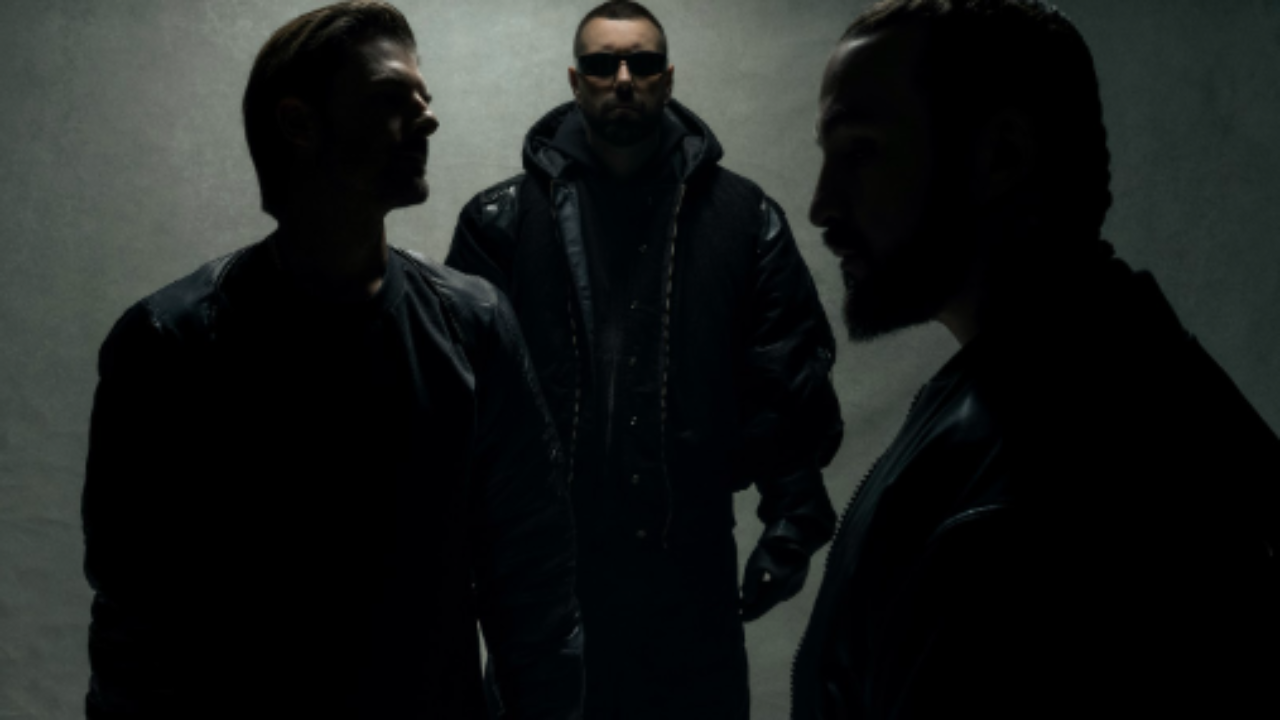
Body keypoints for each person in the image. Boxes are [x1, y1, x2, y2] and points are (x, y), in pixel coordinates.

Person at [81, 3, 583, 718]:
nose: (429, 119)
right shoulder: (171, 344)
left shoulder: (473, 324)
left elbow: (533, 586)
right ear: (299, 122)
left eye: (425, 97)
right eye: (392, 97)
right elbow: (138, 623)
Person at [793, 0, 1280, 717]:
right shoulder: (1074, 380)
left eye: (861, 150)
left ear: (1003, 156)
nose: (822, 207)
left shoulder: (1060, 487)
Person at [446, 2, 843, 717]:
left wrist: (794, 514)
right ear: (576, 81)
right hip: (549, 587)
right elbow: (466, 408)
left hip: (689, 579)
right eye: (603, 64)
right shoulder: (498, 222)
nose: (623, 78)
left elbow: (783, 370)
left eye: (643, 62)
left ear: (668, 77)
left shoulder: (743, 217)